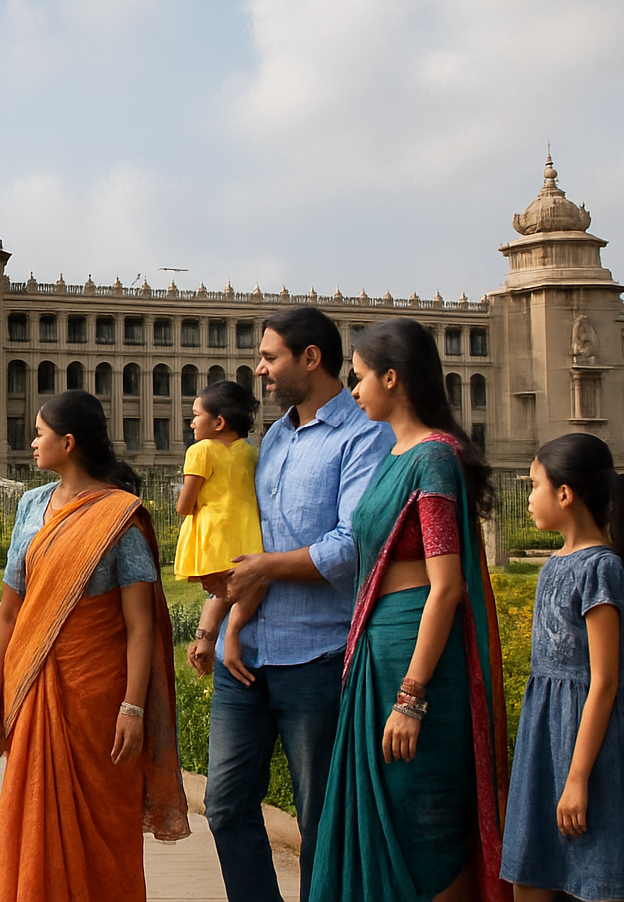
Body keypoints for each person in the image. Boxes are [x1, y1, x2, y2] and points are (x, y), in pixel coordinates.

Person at [188, 306, 393, 902]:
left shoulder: (364, 435)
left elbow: (352, 545)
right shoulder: (274, 437)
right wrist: (215, 624)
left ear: (310, 358)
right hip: (245, 655)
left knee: (318, 816)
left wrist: (266, 567)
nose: (260, 370)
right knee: (225, 805)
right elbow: (247, 537)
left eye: (270, 357)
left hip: (317, 654)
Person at [309, 318, 509, 902]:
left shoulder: (433, 460)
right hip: (379, 653)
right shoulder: (395, 455)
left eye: (360, 376)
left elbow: (446, 587)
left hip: (418, 661)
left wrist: (411, 698)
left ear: (392, 378)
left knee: (424, 825)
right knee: (387, 816)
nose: (354, 389)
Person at [0, 390, 189, 902]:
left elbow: (140, 626)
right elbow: (10, 613)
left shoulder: (119, 516)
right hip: (35, 690)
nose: (32, 443)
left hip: (99, 702)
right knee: (33, 820)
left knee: (104, 832)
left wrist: (133, 708)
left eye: (39, 434)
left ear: (67, 443)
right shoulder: (31, 506)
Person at [501, 433, 624, 902]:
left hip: (593, 747)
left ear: (564, 494)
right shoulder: (554, 565)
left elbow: (605, 681)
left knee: (601, 880)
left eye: (534, 485)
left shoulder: (601, 569)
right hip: (545, 739)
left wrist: (576, 779)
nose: (528, 497)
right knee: (530, 875)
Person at [172, 380, 263, 665]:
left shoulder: (201, 450)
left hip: (213, 536)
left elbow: (184, 506)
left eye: (196, 415)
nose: (191, 423)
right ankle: (228, 630)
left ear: (219, 422)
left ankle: (215, 639)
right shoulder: (248, 451)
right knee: (243, 588)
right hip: (247, 531)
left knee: (219, 590)